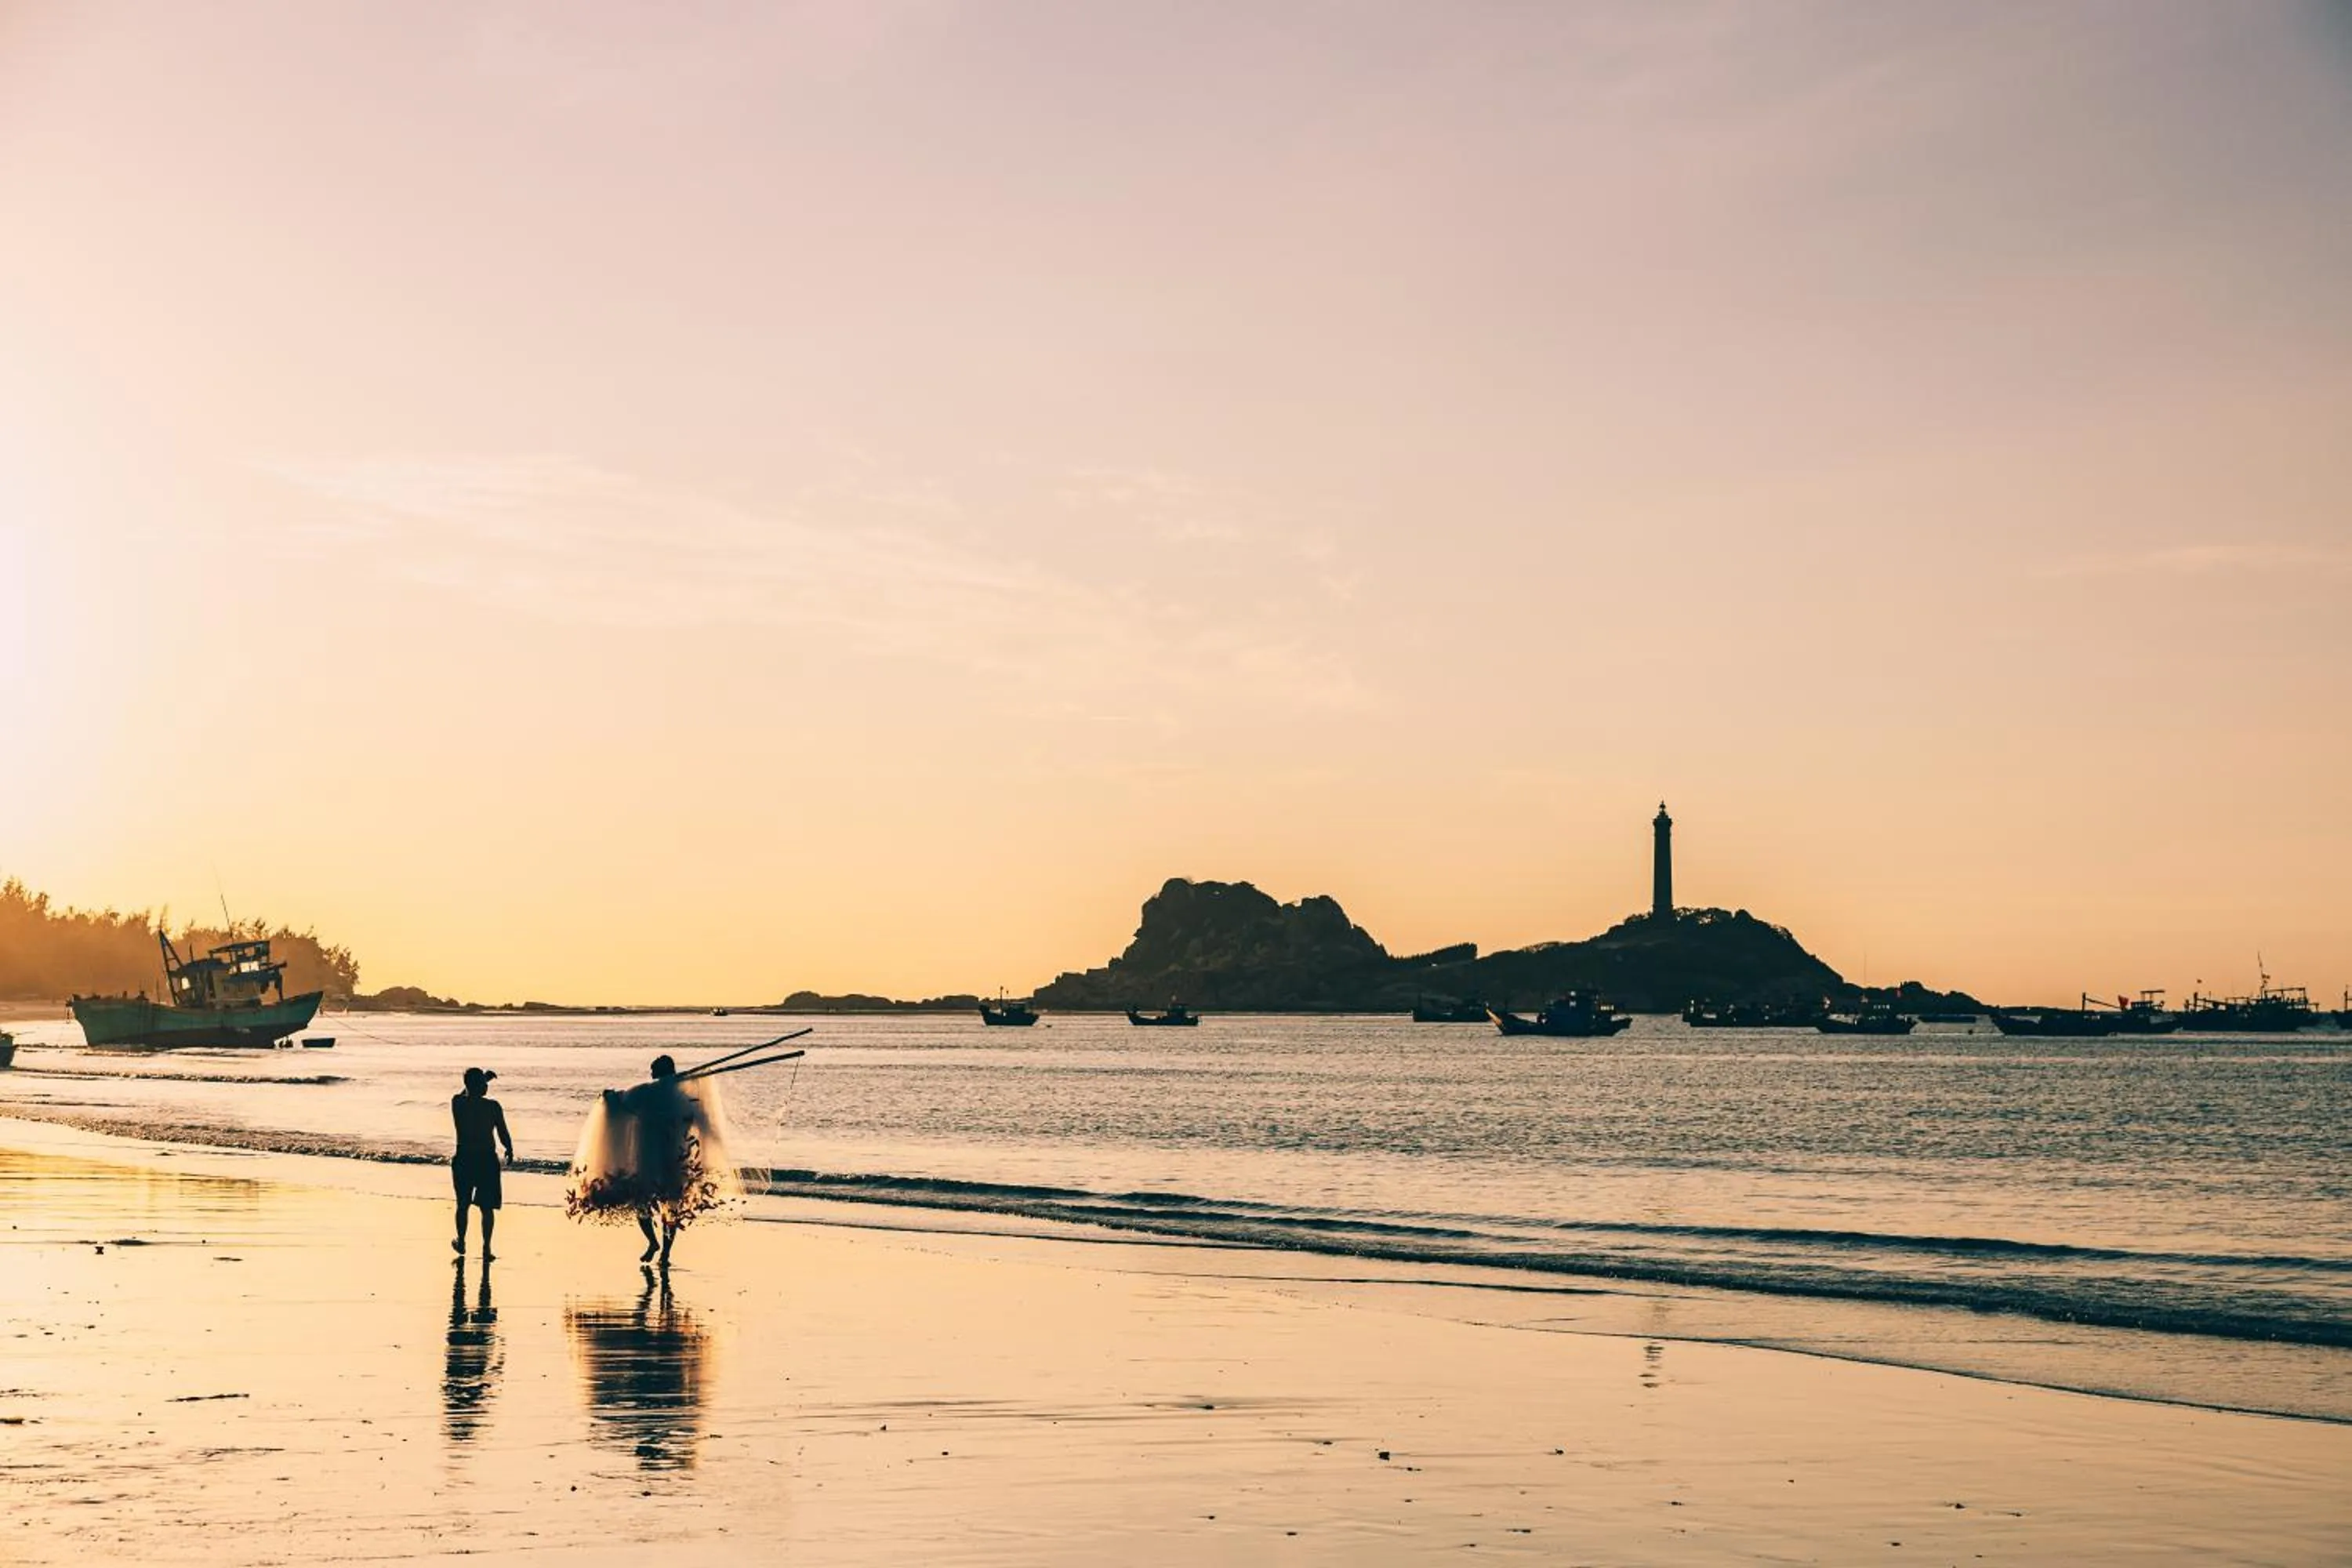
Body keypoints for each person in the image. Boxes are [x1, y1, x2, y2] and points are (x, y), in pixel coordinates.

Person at [564, 1054, 740, 1269]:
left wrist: (609, 1095)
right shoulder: (682, 1097)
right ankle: (663, 1250)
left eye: (653, 1070)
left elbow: (620, 1100)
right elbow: (702, 1123)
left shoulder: (647, 1093)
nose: (651, 1074)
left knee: (647, 1204)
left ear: (659, 1072)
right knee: (669, 1207)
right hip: (674, 1158)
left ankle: (656, 1245)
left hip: (651, 1158)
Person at [451, 1067, 514, 1259]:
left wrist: (476, 1083)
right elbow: (502, 1132)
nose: (487, 1087)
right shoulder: (493, 1107)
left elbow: (465, 1093)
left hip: (464, 1158)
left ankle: (461, 1241)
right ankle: (486, 1248)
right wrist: (509, 1148)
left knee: (463, 1204)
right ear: (481, 1086)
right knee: (487, 1208)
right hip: (486, 1160)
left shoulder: (458, 1104)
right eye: (485, 1084)